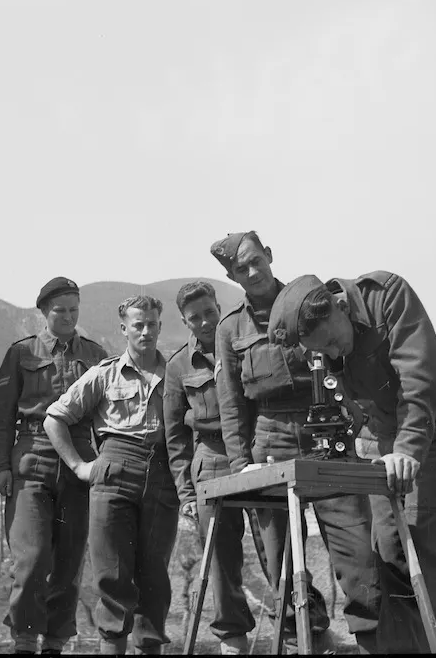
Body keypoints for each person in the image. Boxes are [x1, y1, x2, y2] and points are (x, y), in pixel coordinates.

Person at [267, 271, 436, 653]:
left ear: (340, 306)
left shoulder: (387, 296)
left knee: (427, 555)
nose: (329, 355)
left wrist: (407, 450)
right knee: (389, 558)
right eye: (320, 351)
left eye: (330, 342)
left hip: (434, 430)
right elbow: (353, 404)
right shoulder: (329, 343)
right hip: (384, 439)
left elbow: (421, 380)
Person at [211, 232, 380, 654]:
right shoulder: (230, 328)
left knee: (357, 553)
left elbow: (348, 364)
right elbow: (232, 405)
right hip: (269, 443)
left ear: (268, 255)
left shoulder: (310, 302)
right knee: (281, 565)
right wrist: (239, 467)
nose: (251, 272)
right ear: (232, 276)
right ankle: (309, 638)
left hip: (327, 435)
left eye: (255, 261)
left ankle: (375, 639)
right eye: (240, 269)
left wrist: (354, 426)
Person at [42, 295, 179, 655]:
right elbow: (54, 417)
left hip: (162, 474)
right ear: (124, 329)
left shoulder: (175, 374)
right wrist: (78, 465)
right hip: (114, 471)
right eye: (138, 324)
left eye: (152, 324)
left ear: (160, 326)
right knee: (112, 576)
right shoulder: (104, 374)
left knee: (155, 577)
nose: (146, 331)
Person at [0, 277, 108, 655]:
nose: (69, 317)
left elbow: (105, 413)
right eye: (60, 310)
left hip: (79, 458)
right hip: (32, 456)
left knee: (70, 561)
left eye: (74, 309)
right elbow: (0, 416)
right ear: (43, 312)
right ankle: (24, 639)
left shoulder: (95, 353)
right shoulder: (21, 353)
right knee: (33, 557)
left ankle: (55, 642)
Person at [163, 281, 255, 656]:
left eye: (209, 312)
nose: (204, 322)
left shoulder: (242, 344)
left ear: (219, 307)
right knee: (220, 558)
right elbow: (175, 439)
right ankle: (233, 641)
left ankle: (301, 629)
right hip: (213, 463)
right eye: (194, 317)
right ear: (184, 321)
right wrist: (186, 491)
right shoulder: (178, 365)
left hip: (255, 453)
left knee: (274, 547)